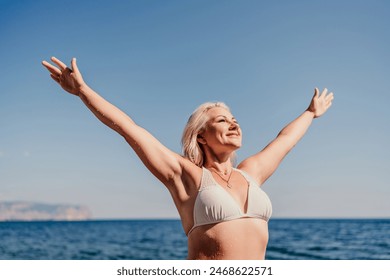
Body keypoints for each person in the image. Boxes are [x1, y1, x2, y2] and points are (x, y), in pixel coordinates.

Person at [42, 57, 334, 260]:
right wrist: (83, 91)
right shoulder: (187, 177)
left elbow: (285, 140)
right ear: (201, 137)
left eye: (235, 119)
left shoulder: (251, 173)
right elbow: (128, 128)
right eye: (222, 120)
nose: (234, 124)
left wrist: (310, 113)